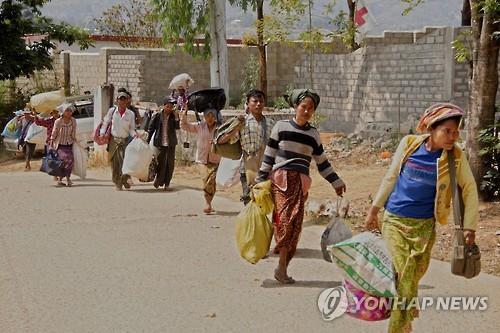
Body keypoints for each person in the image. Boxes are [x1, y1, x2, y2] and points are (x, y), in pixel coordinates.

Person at [364, 103, 479, 333]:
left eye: (456, 132)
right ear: (431, 128)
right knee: (404, 273)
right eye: (447, 131)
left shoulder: (455, 156)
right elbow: (391, 176)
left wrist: (470, 227)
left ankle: (405, 322)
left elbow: (469, 188)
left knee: (411, 278)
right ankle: (399, 328)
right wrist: (374, 209)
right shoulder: (408, 145)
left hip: (424, 227)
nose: (452, 137)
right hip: (395, 220)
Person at [256, 89, 346, 284]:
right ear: (295, 107)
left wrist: (336, 182)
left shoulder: (313, 134)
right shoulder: (280, 127)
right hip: (281, 181)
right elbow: (269, 155)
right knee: (287, 221)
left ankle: (282, 267)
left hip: (301, 183)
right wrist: (260, 179)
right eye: (303, 107)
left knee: (295, 226)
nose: (306, 111)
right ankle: (280, 264)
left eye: (310, 108)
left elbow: (322, 163)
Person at [218, 89, 275, 204]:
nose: (258, 104)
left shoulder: (270, 123)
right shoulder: (243, 123)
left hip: (266, 168)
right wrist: (235, 128)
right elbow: (225, 140)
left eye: (261, 101)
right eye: (255, 101)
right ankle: (251, 222)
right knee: (249, 200)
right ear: (248, 104)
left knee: (265, 200)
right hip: (247, 167)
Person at [181, 108, 221, 214]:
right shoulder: (200, 126)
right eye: (208, 116)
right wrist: (184, 114)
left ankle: (208, 204)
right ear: (204, 116)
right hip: (202, 159)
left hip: (215, 158)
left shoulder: (220, 128)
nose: (210, 118)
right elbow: (185, 126)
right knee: (206, 179)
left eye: (213, 116)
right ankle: (208, 204)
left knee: (211, 182)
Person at [100, 90, 138, 190]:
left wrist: (135, 135)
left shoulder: (130, 114)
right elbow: (106, 123)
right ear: (117, 101)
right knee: (115, 163)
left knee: (125, 162)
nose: (122, 102)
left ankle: (124, 179)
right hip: (114, 140)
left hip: (125, 141)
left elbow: (131, 128)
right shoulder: (112, 111)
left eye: (124, 100)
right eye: (120, 99)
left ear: (127, 101)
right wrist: (102, 133)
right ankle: (118, 182)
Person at [147, 97, 180, 191]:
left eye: (171, 107)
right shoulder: (157, 116)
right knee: (160, 163)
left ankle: (167, 183)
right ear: (164, 106)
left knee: (170, 164)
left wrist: (177, 117)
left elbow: (177, 127)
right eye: (168, 106)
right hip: (159, 143)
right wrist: (147, 141)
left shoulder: (173, 117)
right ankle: (159, 180)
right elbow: (151, 128)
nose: (169, 108)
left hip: (170, 143)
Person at [51, 104, 77, 186]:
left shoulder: (73, 120)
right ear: (63, 112)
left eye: (70, 110)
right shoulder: (58, 121)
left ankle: (66, 179)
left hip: (69, 143)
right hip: (60, 144)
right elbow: (54, 132)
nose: (69, 112)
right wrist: (52, 140)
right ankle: (64, 179)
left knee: (70, 161)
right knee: (65, 160)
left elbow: (73, 132)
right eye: (67, 111)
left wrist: (76, 140)